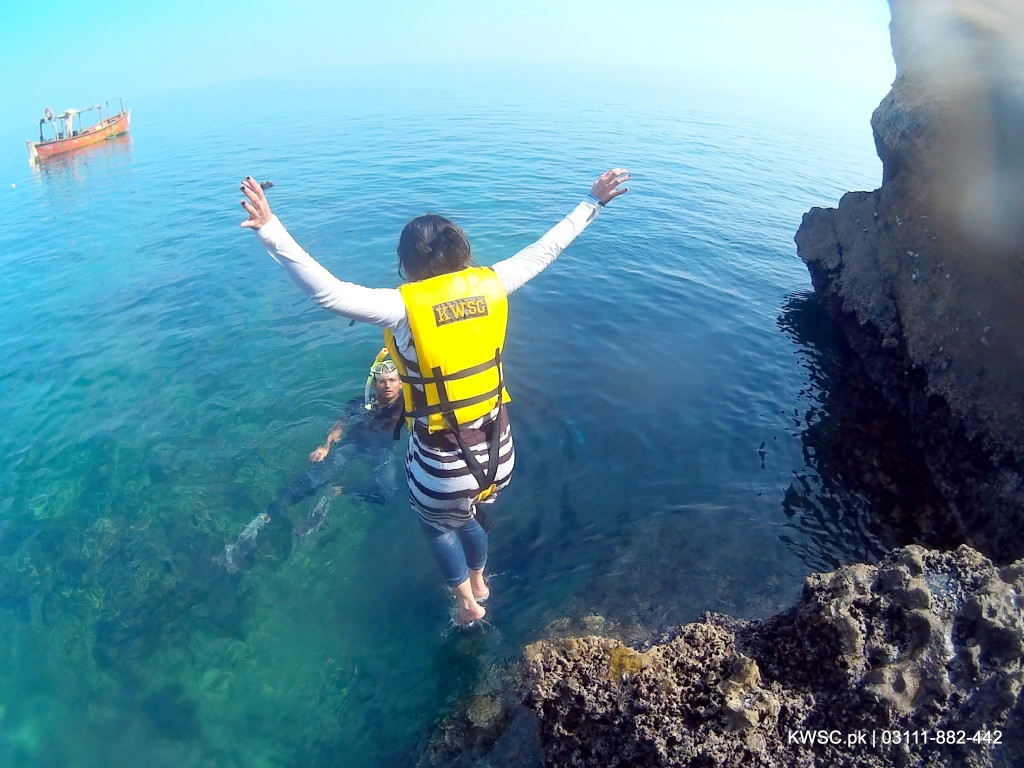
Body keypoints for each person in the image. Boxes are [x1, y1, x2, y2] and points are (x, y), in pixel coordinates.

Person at [239, 168, 629, 624]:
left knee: (440, 526)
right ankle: (481, 579)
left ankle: (468, 604)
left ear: (406, 264)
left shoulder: (402, 307)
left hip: (442, 462)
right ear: (461, 252)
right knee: (471, 513)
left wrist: (270, 228)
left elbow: (328, 293)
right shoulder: (495, 282)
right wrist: (593, 201)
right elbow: (546, 249)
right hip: (500, 450)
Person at [266, 351, 403, 520]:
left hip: (382, 450)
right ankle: (269, 513)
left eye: (392, 381)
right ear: (375, 385)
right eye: (382, 381)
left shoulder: (406, 406)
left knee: (387, 493)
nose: (387, 386)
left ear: (400, 384)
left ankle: (341, 489)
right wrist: (326, 446)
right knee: (314, 480)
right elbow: (341, 425)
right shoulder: (360, 402)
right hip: (352, 445)